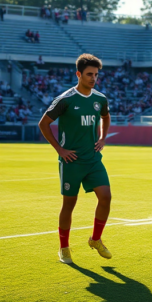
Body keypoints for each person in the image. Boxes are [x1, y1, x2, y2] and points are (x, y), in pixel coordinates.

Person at [37, 54, 113, 265]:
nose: (93, 78)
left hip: (93, 159)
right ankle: (64, 247)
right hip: (71, 162)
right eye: (89, 74)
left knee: (106, 197)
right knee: (69, 205)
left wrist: (102, 138)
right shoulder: (65, 99)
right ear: (78, 74)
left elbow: (106, 117)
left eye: (96, 75)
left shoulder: (100, 99)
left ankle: (96, 239)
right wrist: (60, 150)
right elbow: (43, 124)